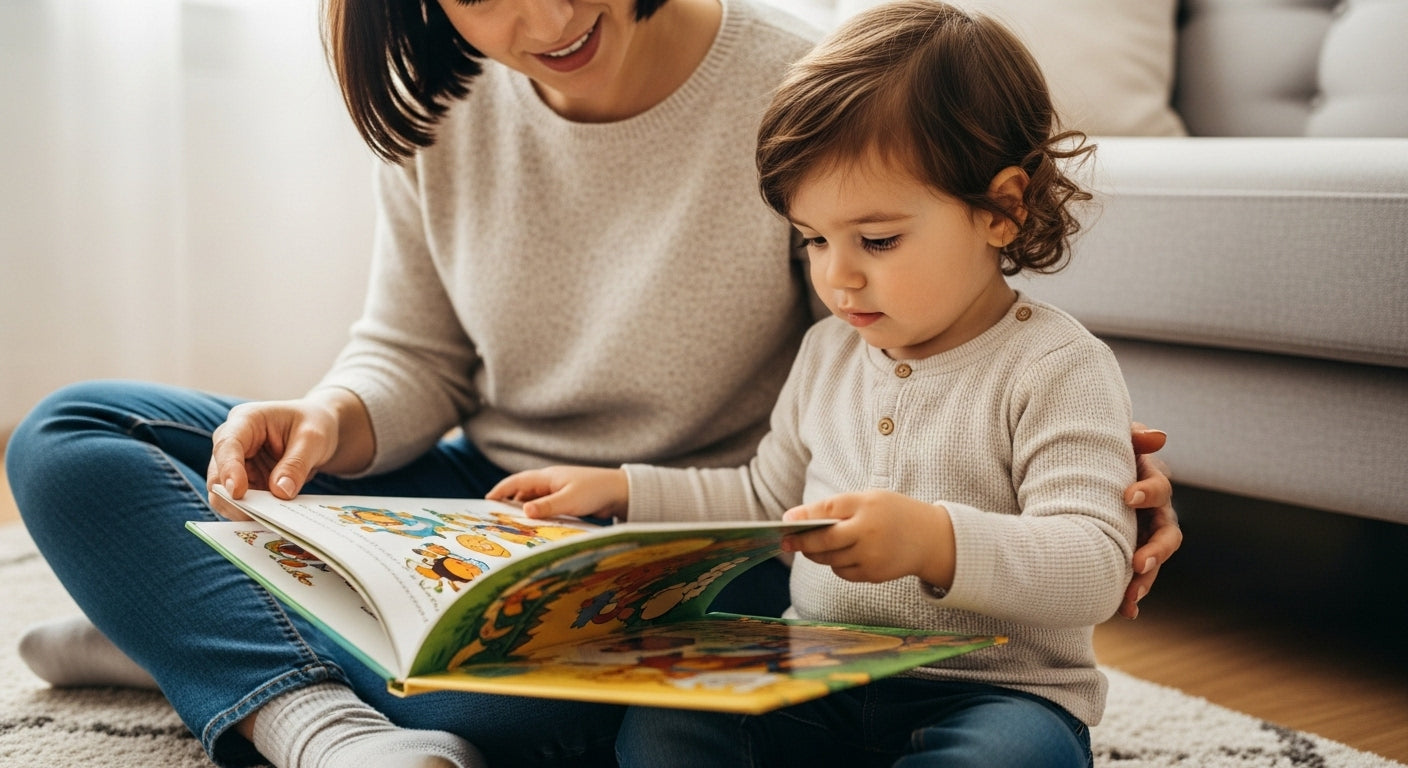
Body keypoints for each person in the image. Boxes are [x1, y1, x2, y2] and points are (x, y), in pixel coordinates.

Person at [5, 0, 1179, 766]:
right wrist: (329, 418)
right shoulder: (447, 101)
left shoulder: (802, 97)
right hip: (509, 499)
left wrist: (1064, 489)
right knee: (76, 433)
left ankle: (190, 629)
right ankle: (283, 691)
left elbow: (935, 351)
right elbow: (414, 357)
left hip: (690, 558)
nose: (545, 15)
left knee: (500, 723)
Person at [486, 2, 1145, 765]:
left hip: (991, 694)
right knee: (666, 728)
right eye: (813, 240)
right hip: (818, 678)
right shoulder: (828, 352)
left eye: (877, 239)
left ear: (1002, 208)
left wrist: (934, 542)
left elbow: (1094, 565)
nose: (839, 275)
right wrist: (622, 490)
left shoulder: (1057, 368)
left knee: (1013, 758)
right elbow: (768, 502)